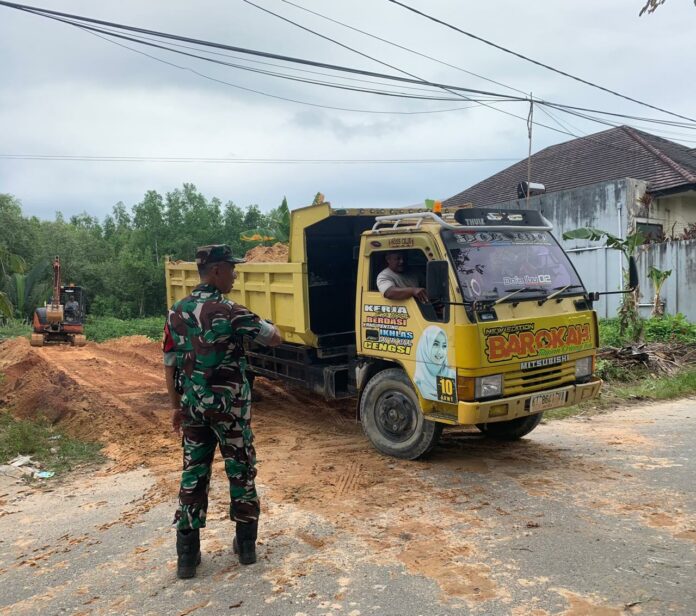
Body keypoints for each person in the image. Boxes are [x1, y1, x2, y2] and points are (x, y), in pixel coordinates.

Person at [164, 244, 282, 580]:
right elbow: (273, 338)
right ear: (216, 270)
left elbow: (169, 363)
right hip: (230, 411)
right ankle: (246, 547)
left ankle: (187, 556)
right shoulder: (232, 312)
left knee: (193, 474)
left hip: (193, 409)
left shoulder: (176, 312)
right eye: (231, 268)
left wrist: (175, 406)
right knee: (240, 470)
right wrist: (269, 325)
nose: (235, 273)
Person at [413, 326, 455, 401]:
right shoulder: (416, 383)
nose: (440, 352)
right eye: (435, 344)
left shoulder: (453, 376)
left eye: (444, 346)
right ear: (425, 347)